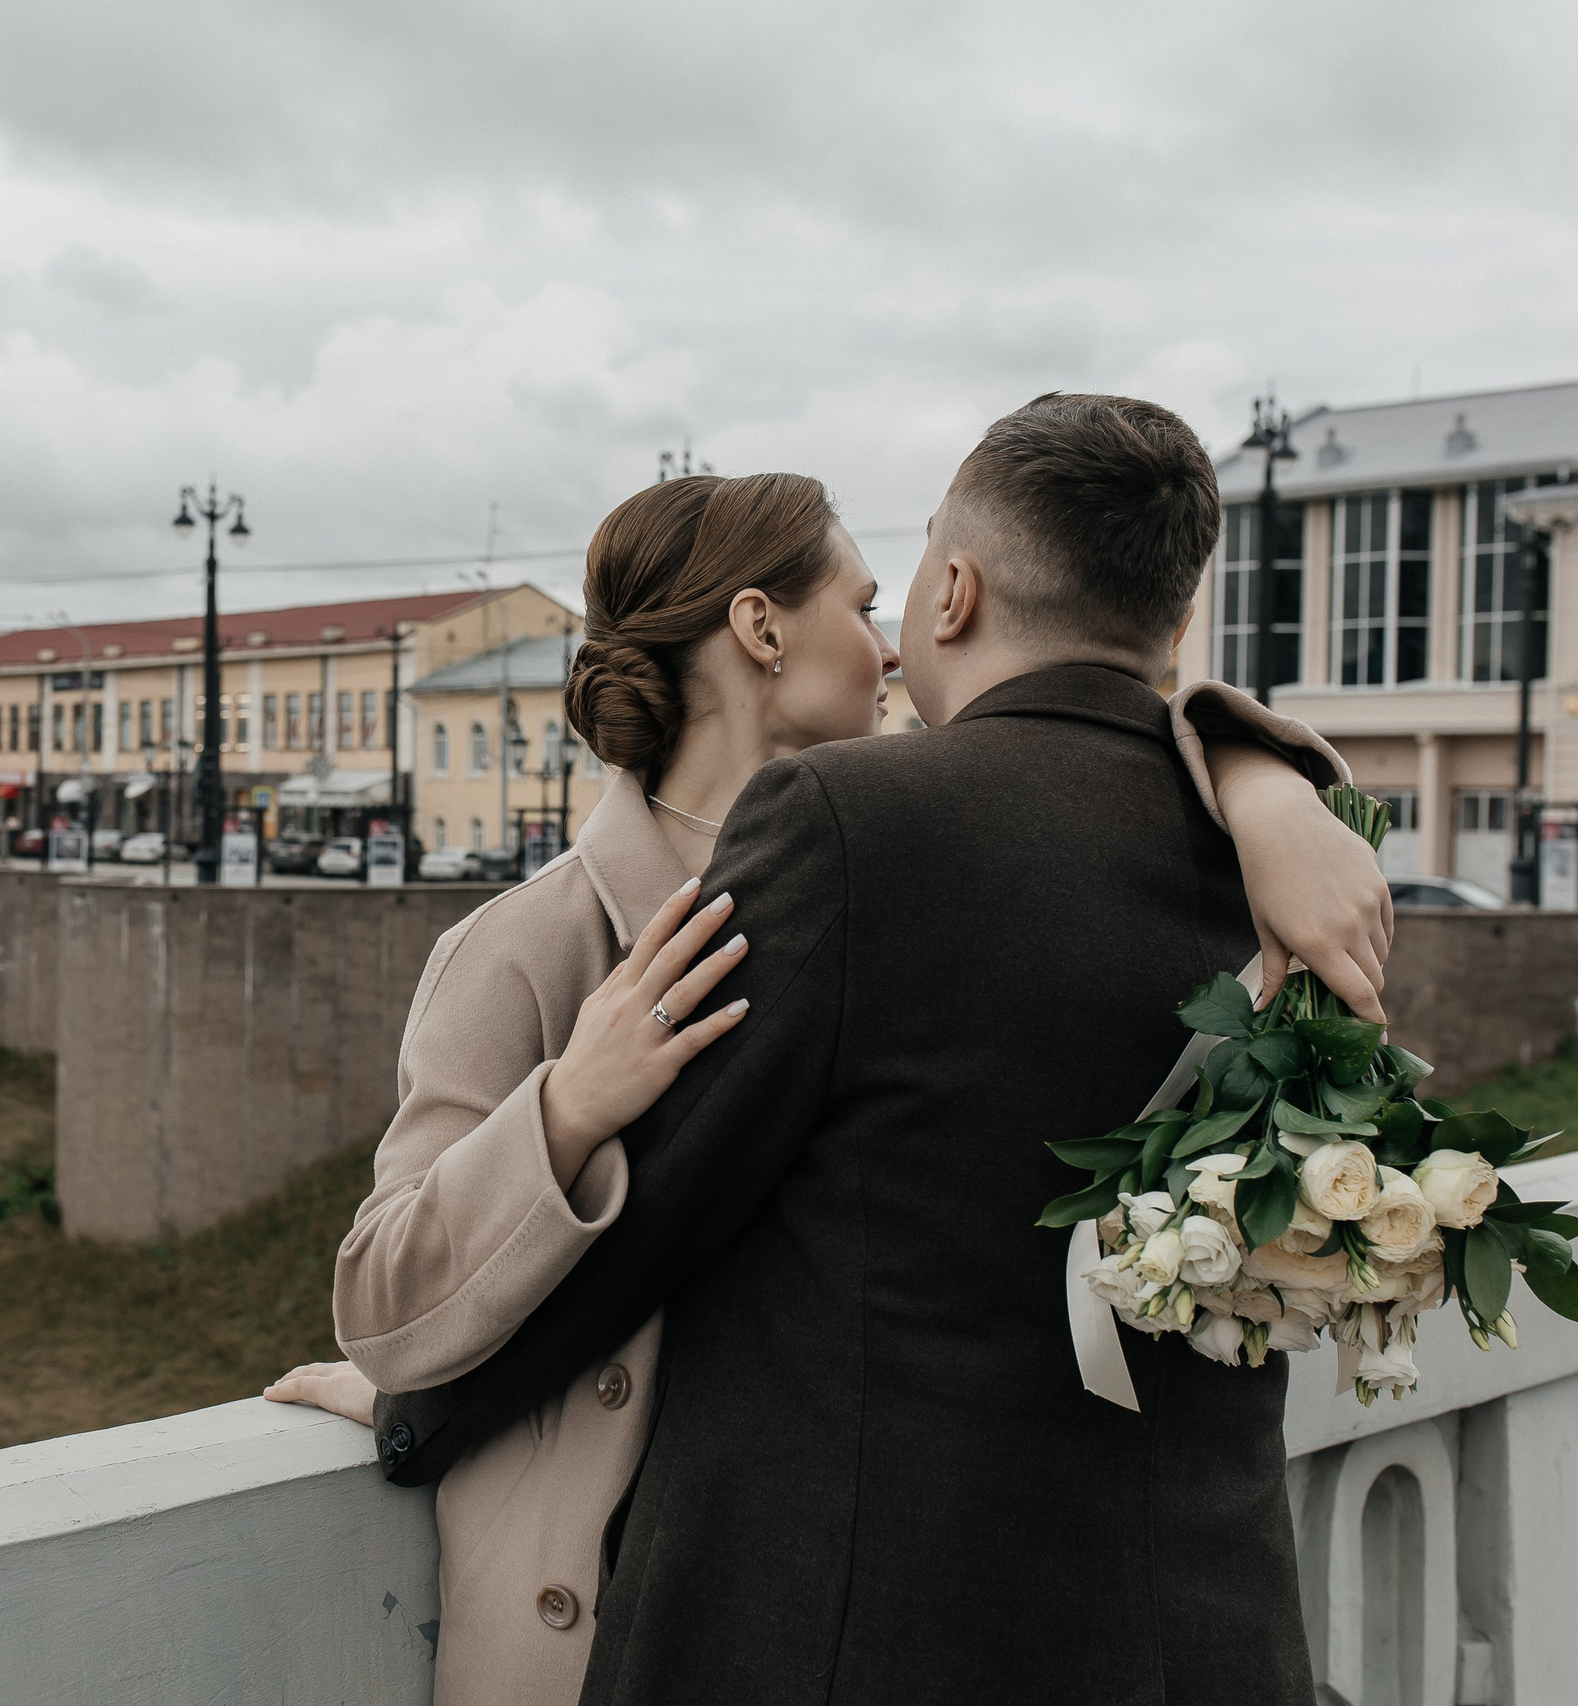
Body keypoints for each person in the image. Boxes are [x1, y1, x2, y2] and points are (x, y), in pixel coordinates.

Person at [267, 454, 1387, 1705]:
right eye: (859, 609)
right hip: (599, 1614)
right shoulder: (529, 944)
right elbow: (382, 1282)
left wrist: (1256, 772)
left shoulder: (904, 854)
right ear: (759, 629)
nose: (893, 647)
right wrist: (567, 1104)